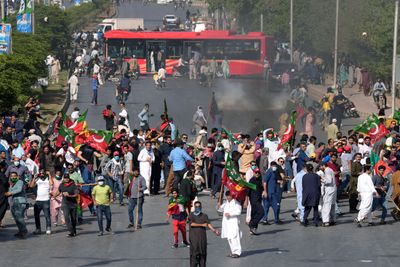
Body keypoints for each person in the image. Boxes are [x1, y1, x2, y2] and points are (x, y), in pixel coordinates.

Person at [187, 201, 220, 267]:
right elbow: (192, 224)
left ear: (201, 207)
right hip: (194, 239)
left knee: (203, 254)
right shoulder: (191, 215)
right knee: (194, 255)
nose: (197, 208)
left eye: (199, 206)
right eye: (196, 206)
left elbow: (208, 224)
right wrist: (202, 224)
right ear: (194, 207)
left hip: (202, 239)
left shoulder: (204, 215)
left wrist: (214, 230)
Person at [51, 173, 78, 237]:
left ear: (69, 178)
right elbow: (58, 191)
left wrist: (70, 195)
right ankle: (71, 231)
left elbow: (76, 194)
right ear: (63, 178)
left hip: (73, 204)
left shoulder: (73, 185)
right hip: (65, 204)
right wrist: (54, 196)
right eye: (65, 178)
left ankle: (74, 230)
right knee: (66, 217)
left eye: (67, 178)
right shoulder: (62, 185)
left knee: (73, 219)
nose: (66, 179)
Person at [219, 190, 242, 258]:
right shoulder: (225, 203)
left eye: (229, 196)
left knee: (235, 237)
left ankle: (237, 252)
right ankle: (233, 252)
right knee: (229, 238)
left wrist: (230, 214)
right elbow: (220, 210)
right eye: (227, 196)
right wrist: (219, 205)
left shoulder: (236, 203)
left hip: (233, 222)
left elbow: (238, 211)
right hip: (226, 223)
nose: (228, 197)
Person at [4, 172, 28, 238]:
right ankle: (20, 231)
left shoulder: (20, 181)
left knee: (19, 217)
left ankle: (24, 231)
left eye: (14, 176)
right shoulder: (12, 184)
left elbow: (19, 189)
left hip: (20, 202)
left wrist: (10, 193)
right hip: (14, 203)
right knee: (16, 218)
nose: (13, 177)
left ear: (17, 176)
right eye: (11, 176)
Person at [29, 169, 52, 235]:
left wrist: (49, 175)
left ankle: (48, 228)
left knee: (47, 215)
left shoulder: (48, 179)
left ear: (45, 173)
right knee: (36, 215)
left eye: (43, 173)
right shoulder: (38, 179)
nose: (41, 174)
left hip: (46, 200)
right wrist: (34, 177)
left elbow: (51, 183)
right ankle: (38, 229)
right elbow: (31, 186)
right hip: (38, 200)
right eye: (40, 173)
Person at [320, 162, 337, 227]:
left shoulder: (327, 170)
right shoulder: (330, 169)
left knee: (326, 205)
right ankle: (333, 220)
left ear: (323, 165)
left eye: (321, 166)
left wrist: (322, 180)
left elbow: (329, 181)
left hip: (329, 190)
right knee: (332, 205)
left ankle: (326, 221)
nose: (320, 168)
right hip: (333, 189)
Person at [248, 168, 264, 235]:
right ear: (253, 173)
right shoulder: (252, 180)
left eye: (258, 173)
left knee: (254, 213)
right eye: (256, 173)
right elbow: (248, 191)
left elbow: (261, 189)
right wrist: (246, 201)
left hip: (259, 199)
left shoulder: (260, 180)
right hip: (254, 200)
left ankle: (253, 228)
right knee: (261, 212)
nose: (257, 174)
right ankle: (252, 224)